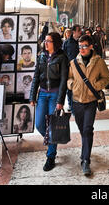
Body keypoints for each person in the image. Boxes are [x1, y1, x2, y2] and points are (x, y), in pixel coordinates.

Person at [67, 35, 109, 176]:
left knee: (87, 129)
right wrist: (72, 85)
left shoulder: (99, 62)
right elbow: (69, 78)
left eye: (85, 46)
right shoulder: (74, 62)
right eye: (80, 46)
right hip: (77, 101)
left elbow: (106, 78)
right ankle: (86, 148)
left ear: (91, 46)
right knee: (82, 129)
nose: (82, 49)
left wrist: (96, 86)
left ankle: (86, 160)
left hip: (91, 101)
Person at [30, 32, 68, 172]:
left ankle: (50, 156)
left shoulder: (62, 57)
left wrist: (60, 100)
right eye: (45, 41)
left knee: (52, 126)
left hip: (55, 94)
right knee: (39, 124)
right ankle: (52, 141)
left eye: (49, 41)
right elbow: (35, 77)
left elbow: (64, 80)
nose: (45, 43)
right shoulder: (41, 56)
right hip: (42, 94)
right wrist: (32, 96)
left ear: (56, 43)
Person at [62, 24, 82, 113]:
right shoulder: (67, 43)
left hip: (81, 69)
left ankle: (78, 104)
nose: (80, 32)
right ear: (74, 32)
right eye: (79, 31)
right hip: (70, 69)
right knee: (70, 87)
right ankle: (71, 104)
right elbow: (63, 55)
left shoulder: (82, 42)